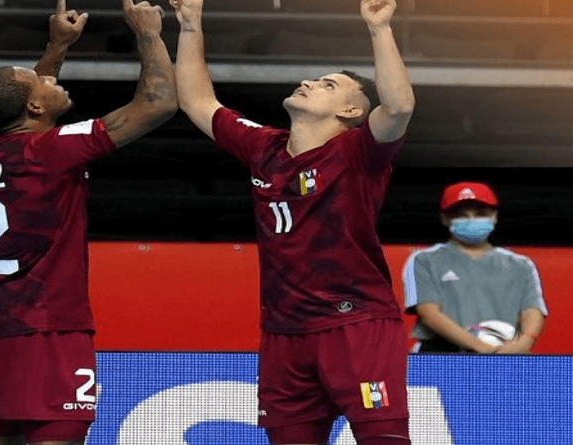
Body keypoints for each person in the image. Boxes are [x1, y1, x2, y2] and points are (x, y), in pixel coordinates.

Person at [170, 0, 414, 444]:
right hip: (283, 333)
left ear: (350, 113)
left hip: (355, 323)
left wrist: (380, 29)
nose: (308, 82)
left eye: (327, 85)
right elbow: (196, 101)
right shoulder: (263, 147)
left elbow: (397, 108)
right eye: (313, 79)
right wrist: (189, 25)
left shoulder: (359, 152)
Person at [0, 0, 176, 443]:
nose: (50, 78)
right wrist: (148, 32)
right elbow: (158, 103)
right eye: (41, 81)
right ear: (36, 106)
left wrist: (58, 46)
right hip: (45, 325)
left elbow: (18, 107)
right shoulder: (53, 151)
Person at [403, 181, 548, 354]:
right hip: (441, 354)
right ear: (445, 219)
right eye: (461, 215)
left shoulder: (521, 265)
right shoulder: (424, 260)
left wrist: (524, 343)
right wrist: (480, 347)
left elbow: (532, 309)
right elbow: (429, 313)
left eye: (480, 214)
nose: (471, 220)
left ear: (495, 216)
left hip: (505, 352)